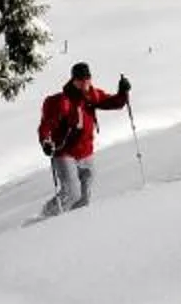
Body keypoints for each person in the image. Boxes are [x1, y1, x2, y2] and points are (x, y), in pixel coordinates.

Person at [36, 62, 133, 216]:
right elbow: (46, 126)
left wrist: (123, 92)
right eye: (80, 79)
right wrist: (46, 141)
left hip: (86, 153)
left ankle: (74, 223)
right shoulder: (63, 102)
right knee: (71, 193)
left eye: (87, 78)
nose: (84, 82)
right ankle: (45, 217)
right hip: (65, 153)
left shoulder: (92, 95)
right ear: (73, 80)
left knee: (85, 197)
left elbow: (115, 102)